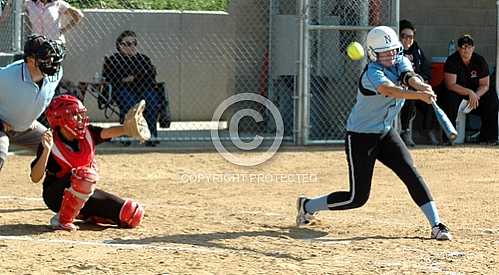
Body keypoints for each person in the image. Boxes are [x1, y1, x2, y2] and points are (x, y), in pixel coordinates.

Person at [296, 26, 452, 240]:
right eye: (384, 52)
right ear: (373, 53)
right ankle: (308, 205)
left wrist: (421, 86)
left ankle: (437, 224)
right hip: (360, 137)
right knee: (357, 198)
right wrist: (417, 96)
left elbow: (409, 76)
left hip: (386, 133)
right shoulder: (372, 73)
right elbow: (389, 90)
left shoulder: (400, 60)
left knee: (411, 173)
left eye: (392, 50)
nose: (389, 55)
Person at [30, 95, 145, 231]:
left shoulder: (88, 133)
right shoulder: (51, 141)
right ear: (60, 119)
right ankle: (62, 219)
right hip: (56, 195)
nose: (80, 119)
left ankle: (86, 214)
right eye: (75, 115)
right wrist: (46, 151)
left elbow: (106, 132)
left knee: (131, 213)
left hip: (83, 191)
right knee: (85, 175)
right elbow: (35, 177)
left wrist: (126, 129)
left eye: (81, 114)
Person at [0, 34, 64, 172]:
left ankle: (68, 190)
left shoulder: (56, 74)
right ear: (29, 60)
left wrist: (28, 117)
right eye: (44, 57)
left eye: (51, 56)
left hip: (26, 127)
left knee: (59, 152)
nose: (51, 61)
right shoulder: (7, 77)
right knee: (1, 150)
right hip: (2, 125)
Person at [102, 30, 161, 147]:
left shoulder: (143, 59)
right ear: (120, 45)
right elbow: (111, 77)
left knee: (152, 101)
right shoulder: (114, 60)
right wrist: (136, 76)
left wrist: (134, 77)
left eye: (134, 43)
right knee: (129, 102)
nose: (132, 47)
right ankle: (126, 134)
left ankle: (151, 134)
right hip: (123, 90)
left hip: (144, 89)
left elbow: (151, 74)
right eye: (128, 44)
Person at [440, 34, 498, 144]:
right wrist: (469, 92)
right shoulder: (452, 60)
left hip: (476, 95)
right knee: (449, 98)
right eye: (463, 46)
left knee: (492, 98)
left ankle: (489, 138)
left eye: (469, 46)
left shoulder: (479, 61)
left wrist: (476, 95)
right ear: (458, 48)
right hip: (458, 93)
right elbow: (450, 85)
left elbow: (485, 85)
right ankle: (448, 138)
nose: (466, 49)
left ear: (473, 48)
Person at [398, 19, 439, 146]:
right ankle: (405, 131)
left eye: (410, 37)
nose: (407, 40)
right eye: (404, 36)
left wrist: (422, 80)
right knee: (410, 95)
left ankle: (428, 131)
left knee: (431, 96)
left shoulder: (416, 49)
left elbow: (426, 69)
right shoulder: (394, 50)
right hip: (399, 88)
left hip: (416, 86)